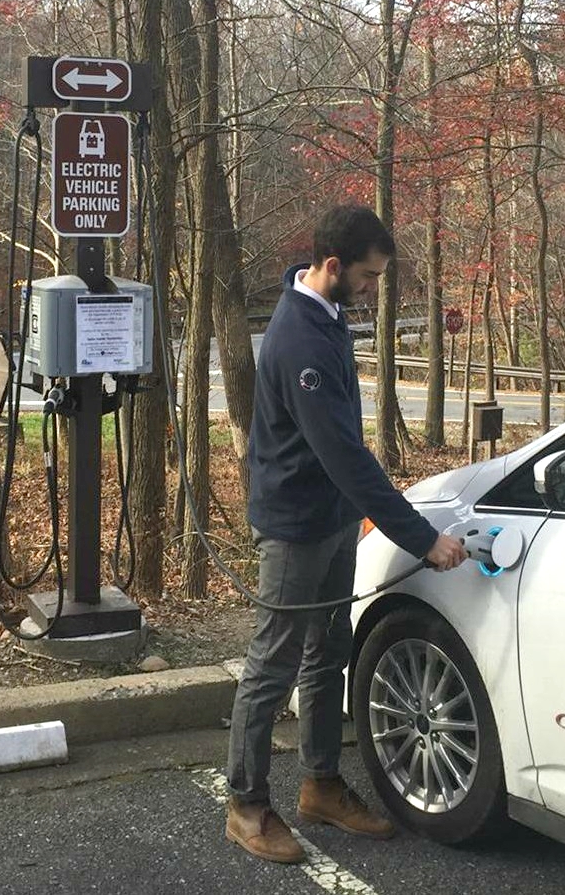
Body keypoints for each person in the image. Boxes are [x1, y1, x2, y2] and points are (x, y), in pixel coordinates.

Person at [224, 204, 468, 864]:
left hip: (330, 520)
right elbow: (343, 455)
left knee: (327, 651)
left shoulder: (327, 315)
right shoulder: (300, 339)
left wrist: (358, 514)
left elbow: (343, 453)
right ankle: (245, 804)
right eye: (365, 276)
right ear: (331, 266)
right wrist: (422, 539)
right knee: (273, 665)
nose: (371, 289)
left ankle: (321, 786)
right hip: (295, 528)